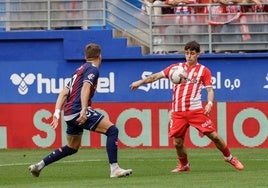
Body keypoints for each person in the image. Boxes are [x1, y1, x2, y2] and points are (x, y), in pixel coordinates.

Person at [130, 40, 244, 172]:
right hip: (178, 112)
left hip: (196, 111)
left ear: (198, 55)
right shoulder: (175, 68)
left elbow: (210, 90)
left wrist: (210, 103)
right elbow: (155, 77)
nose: (189, 56)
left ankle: (229, 157)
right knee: (178, 143)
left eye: (192, 53)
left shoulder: (203, 71)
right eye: (187, 53)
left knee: (215, 137)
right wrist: (140, 82)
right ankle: (184, 165)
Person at [28, 43, 133, 178]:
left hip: (68, 113)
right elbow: (85, 88)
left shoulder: (78, 70)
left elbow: (63, 93)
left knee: (72, 147)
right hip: (78, 111)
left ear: (85, 57)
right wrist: (84, 110)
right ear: (100, 56)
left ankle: (39, 166)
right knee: (112, 130)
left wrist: (56, 113)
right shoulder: (93, 69)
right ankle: (115, 169)